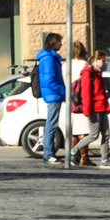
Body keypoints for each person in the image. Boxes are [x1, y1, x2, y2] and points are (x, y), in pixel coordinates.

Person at [70, 48, 110, 168]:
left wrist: (107, 107)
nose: (104, 63)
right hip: (95, 108)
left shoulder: (98, 73)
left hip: (102, 107)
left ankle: (105, 160)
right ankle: (73, 151)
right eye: (103, 61)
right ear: (96, 60)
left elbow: (102, 92)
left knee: (106, 134)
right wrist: (87, 110)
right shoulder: (88, 72)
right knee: (94, 135)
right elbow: (86, 93)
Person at [36, 33, 65, 165]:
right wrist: (63, 91)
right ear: (53, 42)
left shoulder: (50, 57)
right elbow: (49, 80)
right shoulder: (48, 59)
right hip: (53, 95)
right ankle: (48, 153)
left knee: (52, 124)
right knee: (51, 124)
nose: (61, 44)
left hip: (54, 94)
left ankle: (49, 153)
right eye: (59, 42)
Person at [68, 41, 90, 162]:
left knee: (73, 131)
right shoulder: (84, 64)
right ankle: (83, 156)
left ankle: (73, 156)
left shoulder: (65, 65)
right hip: (81, 99)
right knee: (83, 130)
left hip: (70, 101)